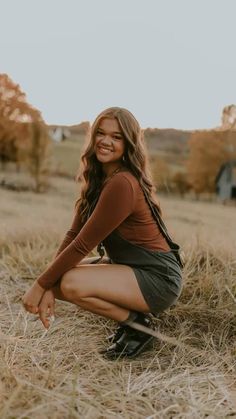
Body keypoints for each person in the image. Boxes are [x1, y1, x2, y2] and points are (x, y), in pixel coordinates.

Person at [22, 107, 183, 360]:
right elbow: (73, 234)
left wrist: (40, 285)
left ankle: (138, 327)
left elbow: (83, 244)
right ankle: (131, 323)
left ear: (128, 143)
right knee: (62, 277)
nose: (105, 141)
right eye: (101, 133)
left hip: (158, 278)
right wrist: (49, 285)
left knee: (70, 283)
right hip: (132, 267)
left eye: (116, 137)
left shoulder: (123, 183)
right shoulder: (100, 178)